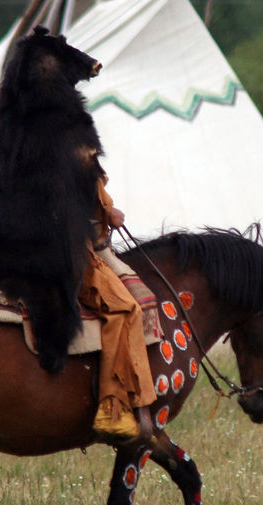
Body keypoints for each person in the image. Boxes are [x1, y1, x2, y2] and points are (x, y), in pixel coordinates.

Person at [79, 170, 156, 444]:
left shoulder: (80, 156)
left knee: (143, 298)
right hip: (75, 252)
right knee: (124, 308)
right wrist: (105, 217)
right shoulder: (63, 154)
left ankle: (139, 402)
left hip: (95, 249)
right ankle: (113, 408)